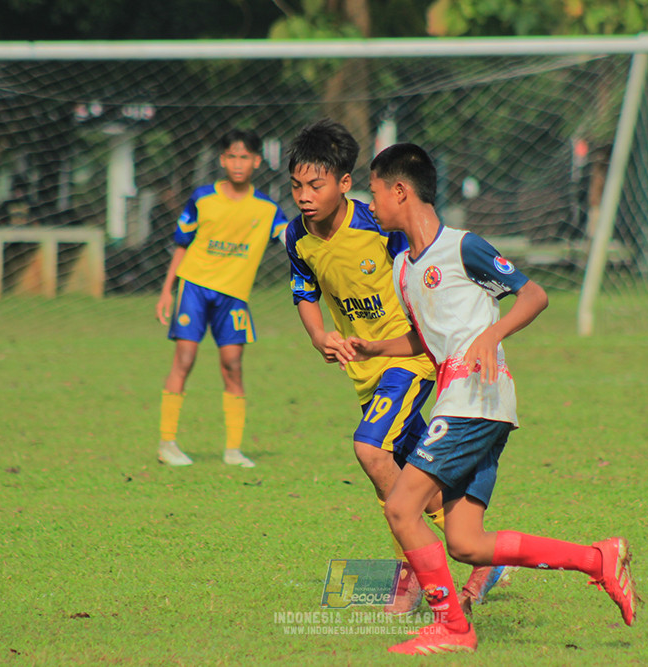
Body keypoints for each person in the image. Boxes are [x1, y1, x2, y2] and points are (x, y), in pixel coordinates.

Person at [340, 143, 636, 654]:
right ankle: (599, 559)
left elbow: (534, 294)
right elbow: (428, 339)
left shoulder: (463, 246)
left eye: (374, 192)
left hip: (475, 399)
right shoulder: (403, 268)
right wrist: (375, 347)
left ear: (400, 190)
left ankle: (453, 628)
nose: (371, 205)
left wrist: (492, 336)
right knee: (466, 543)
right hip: (463, 401)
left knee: (401, 509)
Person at [284, 119, 506, 615]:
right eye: (297, 185)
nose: (304, 196)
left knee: (369, 448)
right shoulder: (295, 236)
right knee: (415, 479)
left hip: (408, 361)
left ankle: (420, 575)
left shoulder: (378, 226)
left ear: (344, 183)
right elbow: (305, 292)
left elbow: (424, 272)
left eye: (316, 185)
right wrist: (321, 335)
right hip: (365, 370)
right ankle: (479, 557)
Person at [155, 128, 288, 468]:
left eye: (245, 157)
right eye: (232, 156)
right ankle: (167, 443)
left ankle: (233, 450)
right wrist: (166, 291)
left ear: (257, 161)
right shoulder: (203, 198)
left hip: (233, 297)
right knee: (184, 359)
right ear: (222, 159)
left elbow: (292, 239)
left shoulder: (268, 209)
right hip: (194, 288)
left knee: (233, 366)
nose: (238, 163)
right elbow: (182, 246)